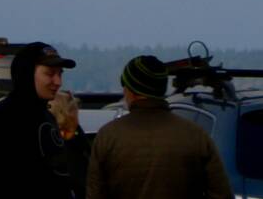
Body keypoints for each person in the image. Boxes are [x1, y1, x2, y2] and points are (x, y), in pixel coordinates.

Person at [87, 56, 231, 199]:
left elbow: (95, 193)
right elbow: (221, 194)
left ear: (130, 91)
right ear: (161, 90)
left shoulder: (108, 136)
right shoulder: (196, 135)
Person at [0, 42, 75, 199]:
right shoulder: (4, 118)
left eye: (60, 74)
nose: (58, 82)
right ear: (27, 73)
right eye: (49, 74)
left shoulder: (47, 117)